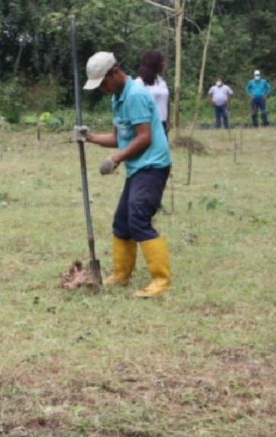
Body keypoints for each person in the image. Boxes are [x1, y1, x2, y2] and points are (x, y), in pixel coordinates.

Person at [74, 52, 172, 297]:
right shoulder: (117, 98)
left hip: (153, 165)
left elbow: (144, 137)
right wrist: (89, 137)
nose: (103, 89)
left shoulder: (136, 95)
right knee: (122, 223)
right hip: (138, 167)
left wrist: (116, 159)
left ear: (115, 72)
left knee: (138, 218)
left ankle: (161, 280)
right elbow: (119, 138)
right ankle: (121, 274)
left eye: (104, 83)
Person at [135, 49, 171, 138]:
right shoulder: (139, 83)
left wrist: (168, 120)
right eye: (161, 61)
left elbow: (166, 102)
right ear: (154, 63)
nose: (163, 64)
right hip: (148, 124)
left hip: (162, 123)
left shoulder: (161, 82)